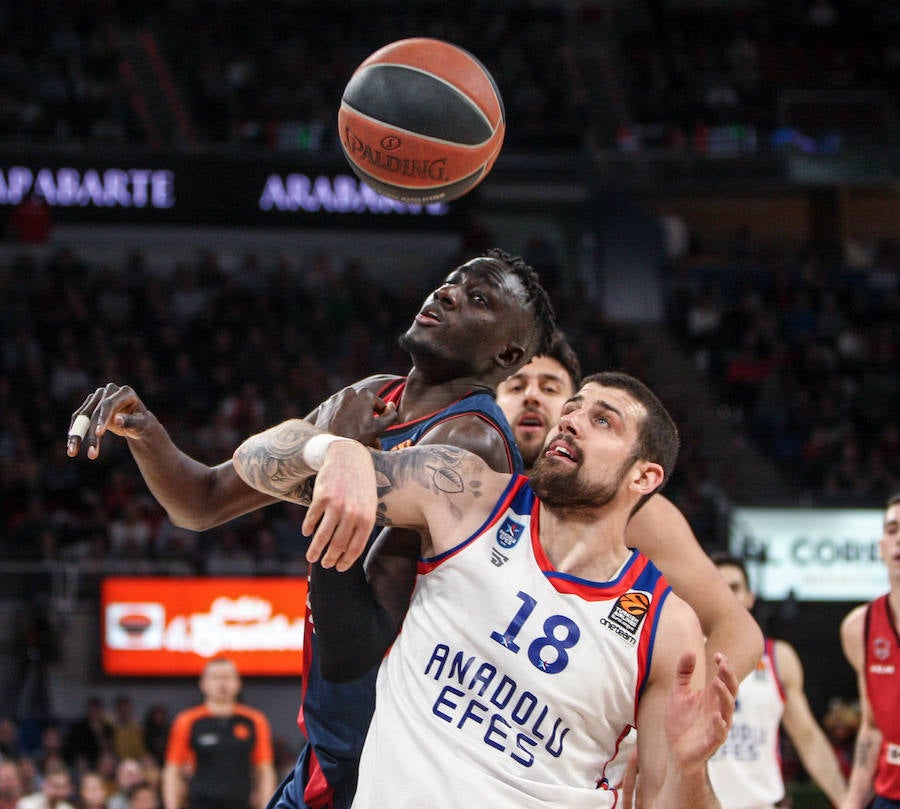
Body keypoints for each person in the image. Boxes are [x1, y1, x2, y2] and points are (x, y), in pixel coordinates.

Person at [67, 248, 556, 809]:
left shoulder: (473, 442)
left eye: (478, 299)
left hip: (395, 764)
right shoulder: (375, 396)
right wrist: (149, 434)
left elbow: (355, 647)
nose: (447, 294)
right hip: (336, 749)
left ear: (507, 353)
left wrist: (332, 453)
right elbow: (200, 502)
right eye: (450, 281)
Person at [231, 370, 737, 807]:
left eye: (602, 421)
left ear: (644, 477)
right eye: (575, 408)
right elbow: (252, 459)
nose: (571, 420)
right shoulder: (465, 495)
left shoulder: (667, 629)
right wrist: (332, 449)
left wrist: (692, 771)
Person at [496, 333, 763, 682]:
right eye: (516, 387)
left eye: (550, 389)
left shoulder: (640, 516)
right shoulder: (467, 485)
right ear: (493, 401)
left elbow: (737, 629)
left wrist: (682, 722)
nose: (531, 396)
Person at [708, 552, 847, 809]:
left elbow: (808, 738)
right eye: (718, 586)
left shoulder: (778, 657)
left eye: (735, 588)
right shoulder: (684, 655)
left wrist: (846, 802)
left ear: (750, 597)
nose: (728, 595)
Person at [839, 492, 900, 809]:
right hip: (890, 794)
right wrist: (852, 802)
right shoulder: (858, 627)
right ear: (881, 546)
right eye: (892, 530)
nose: (899, 538)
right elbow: (873, 726)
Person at [162, 657, 275, 809]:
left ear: (238, 683)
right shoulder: (187, 721)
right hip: (200, 803)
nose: (222, 684)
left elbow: (264, 770)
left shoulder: (255, 720)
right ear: (203, 684)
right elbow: (172, 770)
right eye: (215, 678)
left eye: (227, 677)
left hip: (241, 804)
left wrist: (267, 806)